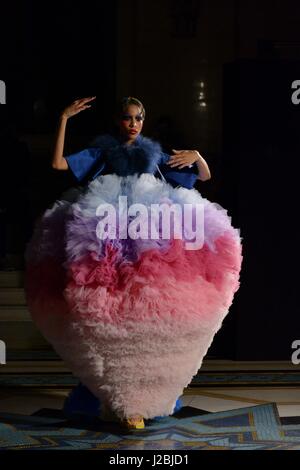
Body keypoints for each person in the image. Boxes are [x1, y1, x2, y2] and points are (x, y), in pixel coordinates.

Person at [25, 96, 242, 430]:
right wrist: (64, 118)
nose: (133, 124)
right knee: (105, 310)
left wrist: (198, 156)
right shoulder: (104, 152)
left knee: (145, 310)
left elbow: (204, 176)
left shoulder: (153, 155)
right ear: (118, 121)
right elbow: (57, 165)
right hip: (104, 235)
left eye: (138, 118)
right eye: (127, 119)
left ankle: (144, 394)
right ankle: (110, 394)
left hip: (148, 237)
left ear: (144, 120)